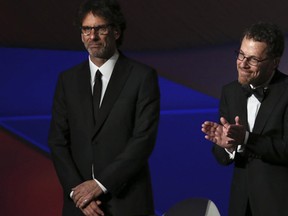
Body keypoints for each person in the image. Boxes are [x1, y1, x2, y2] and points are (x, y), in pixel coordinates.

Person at [48, 0, 160, 215]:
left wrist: (99, 184)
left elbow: (143, 140)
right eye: (87, 29)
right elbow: (57, 141)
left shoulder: (142, 77)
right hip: (79, 205)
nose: (93, 36)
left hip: (126, 203)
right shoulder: (67, 80)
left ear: (116, 32)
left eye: (100, 28)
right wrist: (79, 194)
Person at [201, 22, 288, 216]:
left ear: (274, 62)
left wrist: (247, 139)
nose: (242, 63)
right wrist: (227, 146)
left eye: (253, 59)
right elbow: (222, 158)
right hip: (240, 206)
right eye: (241, 54)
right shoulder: (230, 92)